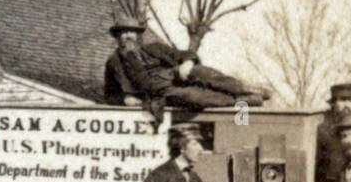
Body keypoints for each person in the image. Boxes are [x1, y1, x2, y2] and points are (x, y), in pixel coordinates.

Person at [103, 19, 270, 124]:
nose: (128, 36)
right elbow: (109, 95)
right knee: (193, 96)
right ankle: (243, 100)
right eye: (123, 33)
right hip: (161, 92)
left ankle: (244, 88)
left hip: (176, 75)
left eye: (131, 31)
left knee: (202, 72)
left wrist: (188, 63)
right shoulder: (114, 63)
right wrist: (125, 99)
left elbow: (182, 54)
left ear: (138, 35)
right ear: (117, 37)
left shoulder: (154, 48)